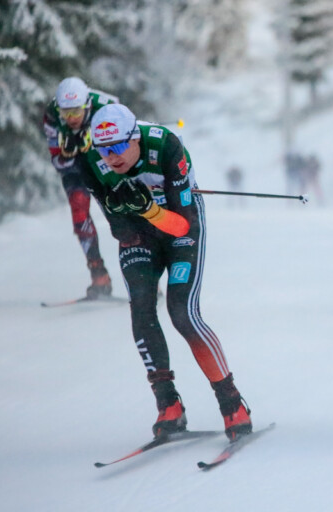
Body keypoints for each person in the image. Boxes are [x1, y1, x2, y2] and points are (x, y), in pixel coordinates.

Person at [78, 103, 252, 440]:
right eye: (104, 149)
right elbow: (120, 230)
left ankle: (232, 402)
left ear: (135, 138)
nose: (112, 157)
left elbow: (182, 224)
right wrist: (125, 212)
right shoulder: (91, 161)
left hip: (178, 223)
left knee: (182, 312)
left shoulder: (165, 146)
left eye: (119, 146)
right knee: (141, 308)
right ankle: (168, 404)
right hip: (139, 230)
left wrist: (149, 209)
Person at [43, 77, 116, 298]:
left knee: (121, 214)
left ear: (88, 105)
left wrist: (95, 147)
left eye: (76, 111)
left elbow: (126, 151)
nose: (71, 118)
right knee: (79, 214)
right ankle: (98, 275)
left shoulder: (107, 108)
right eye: (66, 113)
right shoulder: (52, 116)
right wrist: (69, 154)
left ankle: (146, 278)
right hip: (75, 169)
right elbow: (57, 162)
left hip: (106, 165)